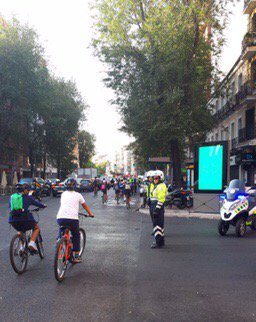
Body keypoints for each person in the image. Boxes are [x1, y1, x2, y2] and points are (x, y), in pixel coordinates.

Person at [56, 178, 94, 263]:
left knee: (62, 227)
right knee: (76, 235)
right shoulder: (78, 195)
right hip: (73, 219)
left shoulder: (63, 194)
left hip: (60, 217)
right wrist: (90, 214)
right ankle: (76, 256)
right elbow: (84, 206)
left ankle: (59, 240)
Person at [8, 183, 47, 252]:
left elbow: (10, 207)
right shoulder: (28, 197)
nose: (28, 191)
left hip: (12, 219)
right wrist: (44, 205)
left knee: (20, 230)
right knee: (36, 228)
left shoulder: (12, 197)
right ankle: (31, 243)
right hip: (25, 218)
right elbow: (38, 204)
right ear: (25, 190)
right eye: (28, 190)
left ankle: (22, 247)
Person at [150, 170, 167, 248]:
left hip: (157, 206)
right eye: (154, 178)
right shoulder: (156, 185)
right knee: (158, 224)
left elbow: (161, 199)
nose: (155, 179)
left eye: (156, 178)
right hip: (154, 205)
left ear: (160, 178)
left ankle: (158, 243)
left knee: (157, 225)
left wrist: (157, 209)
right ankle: (160, 241)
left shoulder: (161, 186)